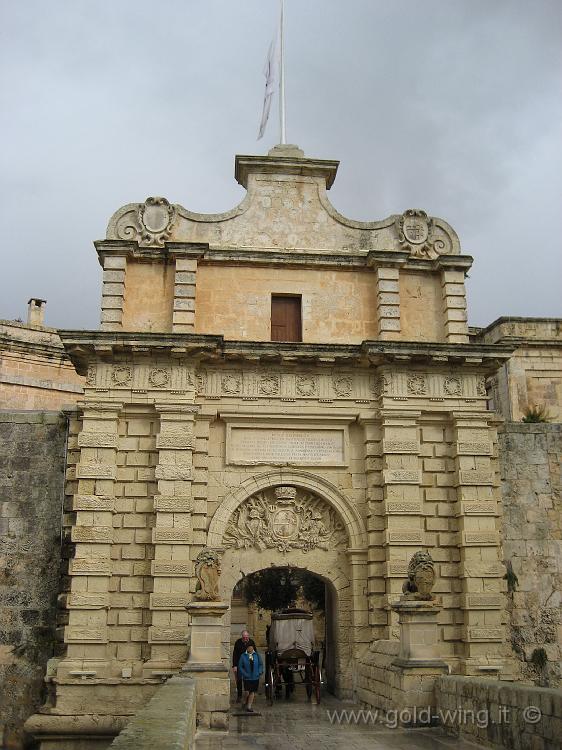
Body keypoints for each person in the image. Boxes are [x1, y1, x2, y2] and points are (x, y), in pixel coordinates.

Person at [237, 643, 263, 713]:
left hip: (255, 677)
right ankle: (245, 701)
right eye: (248, 647)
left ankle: (249, 706)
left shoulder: (257, 655)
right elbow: (240, 666)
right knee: (247, 692)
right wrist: (244, 673)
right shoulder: (243, 656)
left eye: (251, 647)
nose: (250, 649)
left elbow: (261, 664)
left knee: (252, 692)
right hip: (247, 677)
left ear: (253, 648)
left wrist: (259, 671)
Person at [232, 630, 256, 702]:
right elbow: (235, 655)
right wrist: (235, 665)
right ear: (242, 637)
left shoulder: (251, 642)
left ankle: (247, 696)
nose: (245, 638)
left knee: (247, 681)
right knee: (239, 680)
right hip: (240, 664)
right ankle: (239, 696)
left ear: (248, 636)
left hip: (248, 665)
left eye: (246, 637)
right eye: (244, 637)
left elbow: (255, 653)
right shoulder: (238, 642)